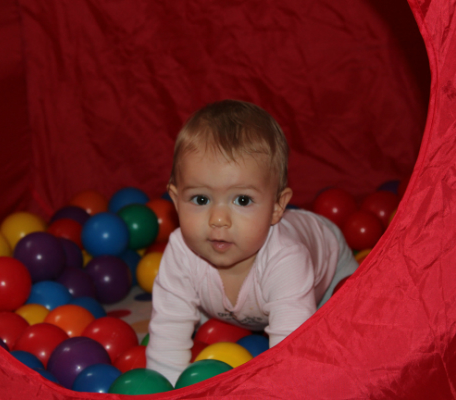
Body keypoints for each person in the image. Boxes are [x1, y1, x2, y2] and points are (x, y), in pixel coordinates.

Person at [145, 99, 358, 385]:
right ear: (175, 200)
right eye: (201, 199)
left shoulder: (286, 260)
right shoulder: (181, 252)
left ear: (276, 207)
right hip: (242, 307)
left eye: (243, 200)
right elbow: (168, 332)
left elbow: (290, 358)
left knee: (346, 326)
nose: (218, 219)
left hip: (330, 264)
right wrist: (165, 387)